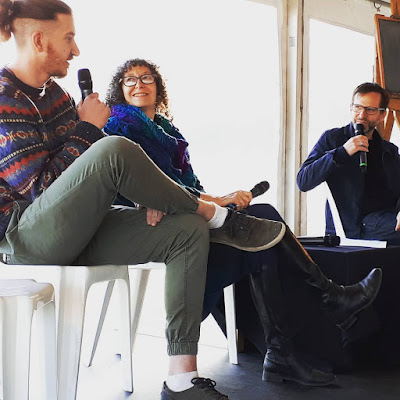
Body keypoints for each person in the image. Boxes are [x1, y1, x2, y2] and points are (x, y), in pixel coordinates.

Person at [0, 2, 300, 399]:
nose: (76, 51)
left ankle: (181, 378)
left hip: (80, 227)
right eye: (68, 39)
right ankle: (216, 216)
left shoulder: (55, 96)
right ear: (39, 41)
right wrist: (88, 127)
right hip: (25, 237)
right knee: (116, 148)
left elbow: (83, 179)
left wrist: (149, 195)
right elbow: (43, 191)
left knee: (186, 230)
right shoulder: (4, 100)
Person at [103, 58, 383, 389]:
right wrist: (215, 203)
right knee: (262, 224)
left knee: (260, 225)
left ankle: (287, 345)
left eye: (146, 77)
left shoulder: (169, 134)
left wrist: (220, 198)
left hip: (186, 210)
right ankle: (318, 309)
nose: (138, 84)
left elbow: (190, 188)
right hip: (146, 220)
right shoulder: (116, 127)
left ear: (158, 86)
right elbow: (137, 184)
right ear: (120, 90)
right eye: (129, 80)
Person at [297, 82, 400, 244]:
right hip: (356, 225)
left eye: (370, 110)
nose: (362, 115)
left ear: (382, 115)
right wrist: (341, 152)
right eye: (358, 107)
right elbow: (303, 181)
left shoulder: (389, 150)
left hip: (387, 219)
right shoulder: (333, 139)